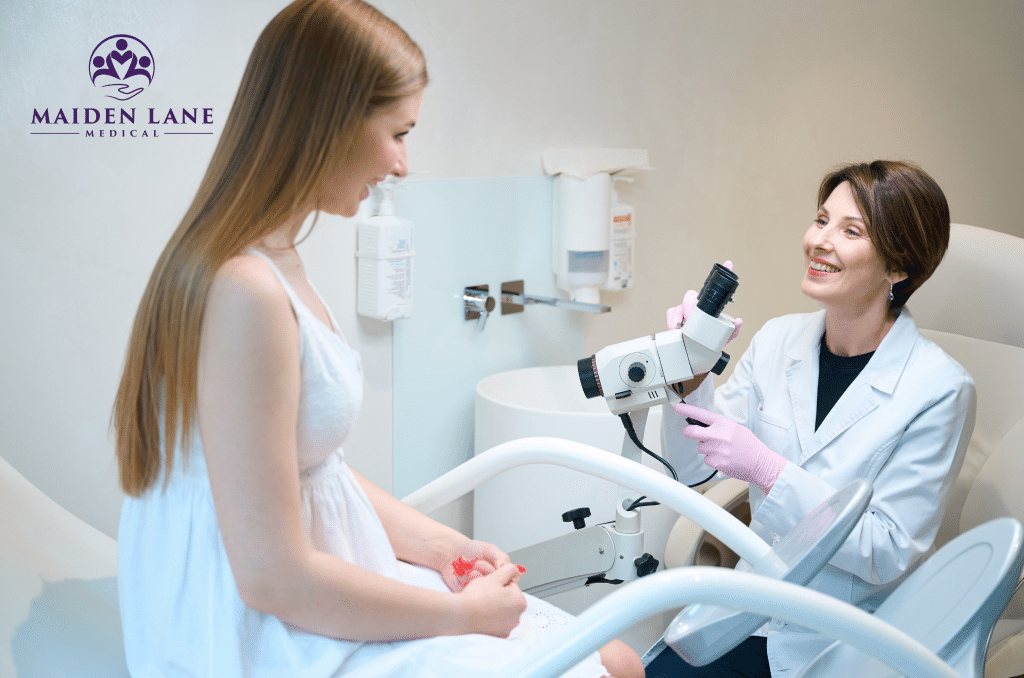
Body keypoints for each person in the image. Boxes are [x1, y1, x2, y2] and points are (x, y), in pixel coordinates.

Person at [111, 2, 643, 676]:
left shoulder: (270, 259)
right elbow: (271, 579)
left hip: (311, 585)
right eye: (398, 132)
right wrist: (461, 616)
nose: (401, 163)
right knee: (610, 667)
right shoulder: (244, 289)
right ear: (328, 121)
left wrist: (439, 545)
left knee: (616, 656)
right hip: (257, 631)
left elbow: (309, 466)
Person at [647, 160, 975, 677]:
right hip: (754, 612)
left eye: (851, 231)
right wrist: (691, 375)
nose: (820, 241)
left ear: (899, 268)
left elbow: (886, 551)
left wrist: (767, 471)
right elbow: (695, 470)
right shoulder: (780, 340)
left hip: (847, 635)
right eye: (821, 220)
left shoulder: (940, 389)